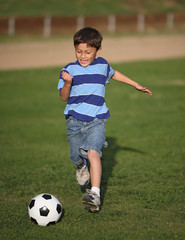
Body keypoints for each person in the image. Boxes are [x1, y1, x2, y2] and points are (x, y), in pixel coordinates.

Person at [57, 27, 152, 213]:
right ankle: (80, 166)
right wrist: (68, 82)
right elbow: (63, 97)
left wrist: (135, 84)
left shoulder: (102, 65)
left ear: (98, 51)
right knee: (76, 157)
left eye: (88, 52)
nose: (83, 56)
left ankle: (95, 194)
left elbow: (114, 73)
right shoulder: (68, 69)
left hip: (97, 120)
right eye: (79, 51)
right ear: (74, 49)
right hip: (74, 120)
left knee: (93, 153)